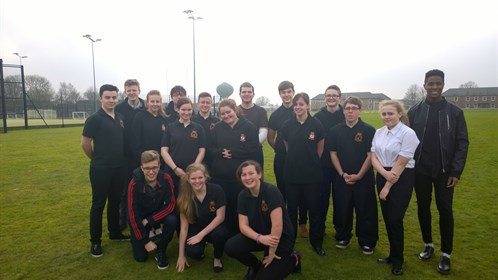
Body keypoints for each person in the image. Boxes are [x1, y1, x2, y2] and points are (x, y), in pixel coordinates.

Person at [407, 69, 469, 274]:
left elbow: (462, 143)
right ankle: (428, 245)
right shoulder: (415, 110)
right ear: (424, 85)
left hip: (444, 171)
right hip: (420, 170)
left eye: (438, 83)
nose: (434, 87)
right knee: (423, 207)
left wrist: (456, 171)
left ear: (443, 85)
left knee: (445, 209)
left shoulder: (454, 112)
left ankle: (446, 254)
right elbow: (405, 139)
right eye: (430, 83)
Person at [225, 160, 301, 280]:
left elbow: (277, 226)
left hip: (280, 238)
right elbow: (243, 226)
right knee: (231, 247)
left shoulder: (271, 191)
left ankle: (294, 259)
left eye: (251, 173)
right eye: (243, 175)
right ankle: (255, 265)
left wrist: (271, 254)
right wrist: (259, 238)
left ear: (259, 174)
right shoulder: (242, 196)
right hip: (261, 236)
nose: (247, 177)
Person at [81, 84, 130, 258]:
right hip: (101, 169)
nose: (111, 100)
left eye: (114, 97)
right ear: (100, 98)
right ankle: (95, 242)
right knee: (98, 204)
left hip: (119, 168)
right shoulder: (94, 119)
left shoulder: (120, 117)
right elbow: (85, 144)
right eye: (107, 97)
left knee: (115, 201)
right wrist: (95, 159)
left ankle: (114, 232)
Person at [371, 100, 419, 276]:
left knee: (395, 219)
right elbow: (373, 156)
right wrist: (384, 175)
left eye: (390, 113)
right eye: (384, 114)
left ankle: (398, 260)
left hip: (401, 176)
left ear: (399, 114)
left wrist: (387, 186)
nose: (387, 117)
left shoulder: (408, 133)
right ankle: (392, 255)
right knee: (388, 218)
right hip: (384, 173)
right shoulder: (379, 132)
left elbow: (401, 162)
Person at [327, 96, 377, 254]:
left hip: (364, 179)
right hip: (342, 178)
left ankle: (367, 241)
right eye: (347, 108)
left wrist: (359, 175)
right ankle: (343, 236)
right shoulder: (335, 130)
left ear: (359, 110)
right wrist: (342, 174)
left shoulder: (368, 130)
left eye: (354, 108)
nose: (350, 111)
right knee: (342, 208)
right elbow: (333, 153)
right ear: (343, 110)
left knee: (365, 209)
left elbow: (371, 155)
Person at [281, 93, 326, 256]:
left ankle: (316, 242)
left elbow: (319, 149)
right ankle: (289, 241)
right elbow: (287, 147)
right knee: (291, 210)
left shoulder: (317, 124)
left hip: (312, 176)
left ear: (308, 105)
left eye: (301, 104)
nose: (298, 107)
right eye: (296, 104)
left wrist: (310, 162)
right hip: (292, 174)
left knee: (314, 210)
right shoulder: (287, 125)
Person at [207, 99, 259, 236]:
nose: (226, 116)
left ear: (235, 110)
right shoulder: (217, 128)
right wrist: (220, 152)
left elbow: (254, 148)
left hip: (240, 177)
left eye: (228, 112)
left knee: (240, 205)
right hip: (220, 177)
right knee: (224, 206)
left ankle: (241, 232)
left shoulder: (248, 127)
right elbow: (210, 148)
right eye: (222, 114)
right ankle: (224, 234)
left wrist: (234, 152)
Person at [267, 81, 308, 238]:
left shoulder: (299, 109)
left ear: (293, 92)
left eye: (289, 91)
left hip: (301, 160)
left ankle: (302, 222)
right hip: (282, 160)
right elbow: (271, 137)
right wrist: (280, 150)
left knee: (302, 192)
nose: (286, 95)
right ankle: (284, 221)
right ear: (280, 94)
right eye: (283, 92)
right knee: (283, 190)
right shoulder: (276, 115)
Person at [127, 150, 177, 269]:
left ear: (159, 166)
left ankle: (161, 249)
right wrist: (145, 241)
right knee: (141, 258)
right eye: (147, 168)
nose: (151, 172)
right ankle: (144, 237)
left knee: (172, 220)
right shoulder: (133, 183)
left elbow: (171, 205)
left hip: (156, 215)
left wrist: (150, 220)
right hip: (140, 218)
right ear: (142, 168)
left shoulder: (166, 178)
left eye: (154, 167)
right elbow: (132, 216)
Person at [176, 163, 230, 273]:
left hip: (215, 226)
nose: (197, 181)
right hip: (196, 227)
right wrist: (181, 255)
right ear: (188, 179)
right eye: (193, 178)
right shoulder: (184, 196)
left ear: (205, 177)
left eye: (200, 177)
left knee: (220, 234)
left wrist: (201, 235)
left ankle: (217, 258)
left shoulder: (217, 190)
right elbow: (184, 228)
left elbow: (220, 217)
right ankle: (200, 251)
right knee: (193, 252)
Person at [314, 84, 345, 240]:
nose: (331, 98)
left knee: (341, 200)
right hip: (323, 166)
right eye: (328, 95)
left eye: (334, 95)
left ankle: (341, 232)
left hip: (342, 166)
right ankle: (319, 229)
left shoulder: (346, 115)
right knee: (321, 199)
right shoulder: (318, 118)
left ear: (339, 98)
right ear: (324, 98)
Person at [115, 79, 145, 230]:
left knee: (144, 187)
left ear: (139, 90)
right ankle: (123, 220)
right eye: (129, 90)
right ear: (125, 91)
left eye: (134, 90)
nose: (132, 93)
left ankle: (142, 217)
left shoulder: (147, 106)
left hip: (144, 155)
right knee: (126, 189)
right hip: (126, 155)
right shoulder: (119, 108)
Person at [161, 97, 206, 196]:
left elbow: (202, 150)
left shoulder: (198, 128)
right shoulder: (170, 127)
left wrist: (193, 169)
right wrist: (175, 168)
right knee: (173, 200)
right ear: (177, 110)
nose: (186, 112)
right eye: (183, 110)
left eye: (189, 110)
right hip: (173, 172)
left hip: (193, 174)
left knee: (191, 201)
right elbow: (164, 151)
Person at [132, 90, 168, 168]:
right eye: (152, 101)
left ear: (160, 103)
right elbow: (135, 140)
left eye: (157, 101)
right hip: (145, 161)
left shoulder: (164, 118)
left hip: (161, 160)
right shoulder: (140, 116)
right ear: (147, 102)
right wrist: (142, 159)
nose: (155, 104)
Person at [238, 82, 268, 168]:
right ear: (240, 94)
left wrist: (250, 146)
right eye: (244, 92)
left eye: (249, 92)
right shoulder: (235, 110)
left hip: (255, 152)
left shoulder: (261, 111)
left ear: (253, 94)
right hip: (238, 153)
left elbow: (263, 133)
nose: (246, 94)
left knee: (257, 179)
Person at [192, 92, 220, 168]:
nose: (205, 105)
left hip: (213, 160)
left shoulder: (217, 121)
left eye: (208, 103)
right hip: (195, 159)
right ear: (198, 104)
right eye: (202, 102)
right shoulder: (191, 121)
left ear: (211, 104)